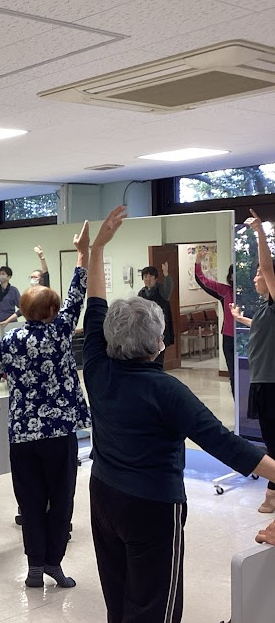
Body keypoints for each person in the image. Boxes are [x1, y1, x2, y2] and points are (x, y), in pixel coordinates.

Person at [83, 205, 275, 623]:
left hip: (103, 495)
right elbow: (224, 443)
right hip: (151, 507)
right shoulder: (166, 390)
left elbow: (94, 306)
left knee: (118, 597)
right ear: (158, 342)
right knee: (156, 608)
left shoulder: (96, 366)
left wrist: (96, 251)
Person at [0, 221, 91, 590]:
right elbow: (77, 295)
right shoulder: (60, 331)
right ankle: (53, 564)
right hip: (59, 432)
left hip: (23, 436)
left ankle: (33, 567)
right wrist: (82, 255)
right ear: (52, 311)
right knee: (60, 501)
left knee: (29, 502)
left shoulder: (11, 339)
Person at [230, 209, 275, 513]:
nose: (257, 276)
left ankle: (272, 492)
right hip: (261, 380)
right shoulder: (264, 308)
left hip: (271, 381)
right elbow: (261, 327)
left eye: (259, 274)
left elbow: (267, 267)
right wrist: (240, 318)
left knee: (273, 441)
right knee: (270, 437)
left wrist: (259, 232)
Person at [194, 247, 235, 395]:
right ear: (230, 277)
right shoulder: (225, 291)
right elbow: (203, 281)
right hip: (229, 339)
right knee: (234, 376)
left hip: (249, 338)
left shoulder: (253, 293)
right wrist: (198, 262)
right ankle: (238, 405)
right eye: (233, 274)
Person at [137, 261, 174, 367]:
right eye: (145, 276)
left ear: (156, 278)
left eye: (150, 276)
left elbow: (169, 290)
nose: (148, 279)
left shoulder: (162, 290)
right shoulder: (141, 293)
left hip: (160, 330)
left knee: (158, 358)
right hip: (146, 331)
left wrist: (166, 274)